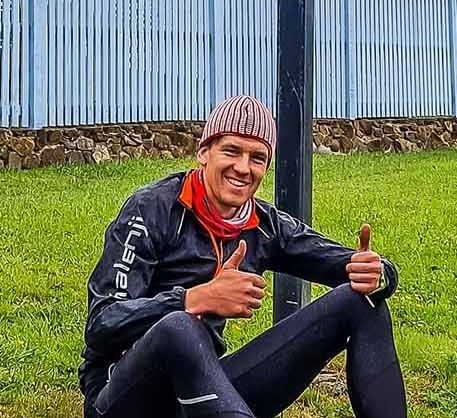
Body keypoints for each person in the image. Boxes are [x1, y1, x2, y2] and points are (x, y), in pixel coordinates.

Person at [80, 96, 405, 417]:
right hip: (123, 397)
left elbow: (349, 266)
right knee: (179, 327)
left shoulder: (264, 226)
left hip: (201, 391)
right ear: (204, 152)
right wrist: (192, 299)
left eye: (257, 158)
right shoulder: (151, 209)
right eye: (231, 151)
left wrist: (381, 273)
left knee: (362, 300)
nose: (243, 168)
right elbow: (102, 323)